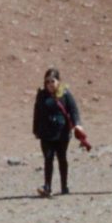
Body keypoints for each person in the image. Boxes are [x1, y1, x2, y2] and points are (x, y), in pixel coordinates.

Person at [32, 68, 81, 197]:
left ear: (58, 81)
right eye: (47, 81)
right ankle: (47, 186)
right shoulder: (41, 95)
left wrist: (77, 125)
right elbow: (37, 112)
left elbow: (74, 110)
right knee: (48, 158)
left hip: (62, 133)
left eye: (52, 81)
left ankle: (64, 186)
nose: (49, 84)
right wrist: (36, 129)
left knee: (62, 158)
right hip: (46, 133)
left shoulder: (65, 94)